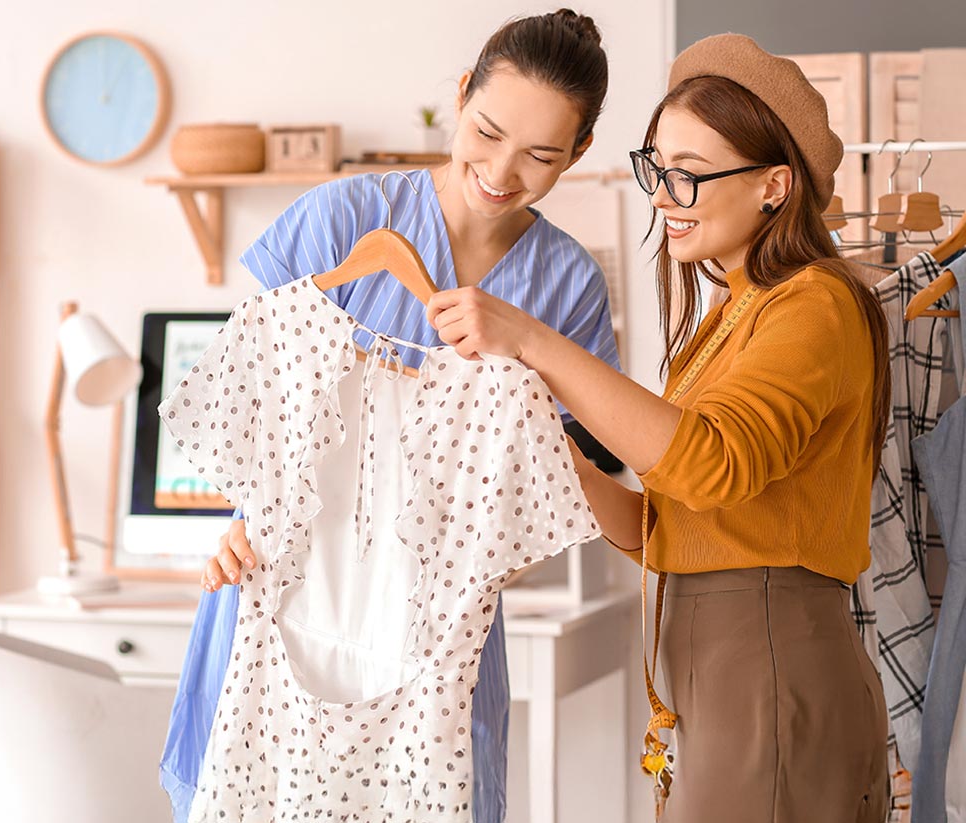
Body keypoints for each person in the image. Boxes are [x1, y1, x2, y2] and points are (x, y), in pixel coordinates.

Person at [161, 10, 618, 822]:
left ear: (579, 154)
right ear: (461, 95)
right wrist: (244, 523)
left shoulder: (565, 287)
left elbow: (561, 489)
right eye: (487, 130)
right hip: (279, 605)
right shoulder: (339, 220)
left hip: (439, 647)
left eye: (541, 155)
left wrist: (454, 577)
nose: (502, 170)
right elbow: (258, 406)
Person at [425, 33, 891, 821]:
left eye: (690, 176)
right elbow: (660, 526)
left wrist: (534, 341)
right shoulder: (728, 319)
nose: (664, 197)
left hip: (767, 660)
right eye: (657, 170)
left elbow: (710, 466)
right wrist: (553, 446)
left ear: (775, 186)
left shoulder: (814, 304)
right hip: (719, 665)